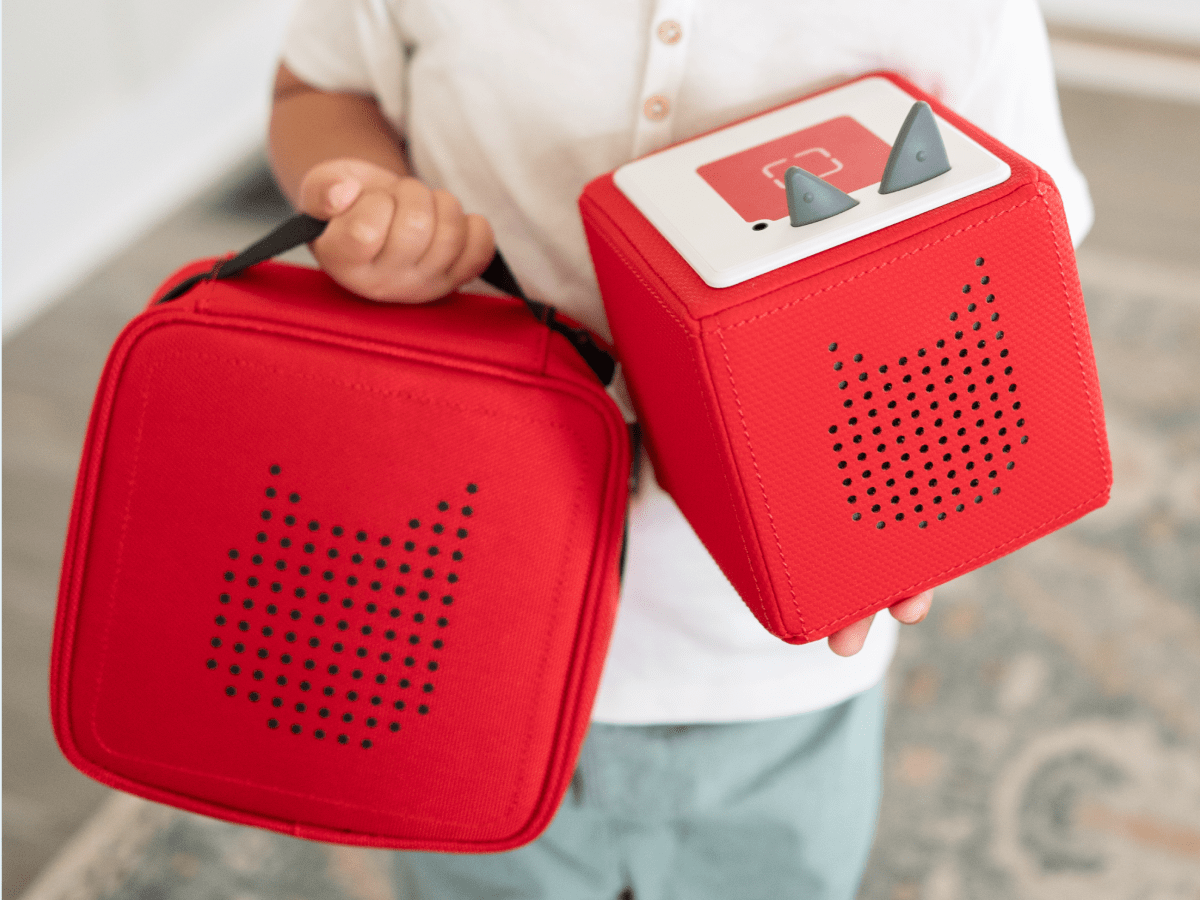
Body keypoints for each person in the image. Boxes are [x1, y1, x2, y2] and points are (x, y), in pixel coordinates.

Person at [268, 2, 1092, 897]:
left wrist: (937, 473)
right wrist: (367, 201)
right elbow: (317, 87)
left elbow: (1019, 260)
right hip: (464, 612)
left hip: (774, 667)